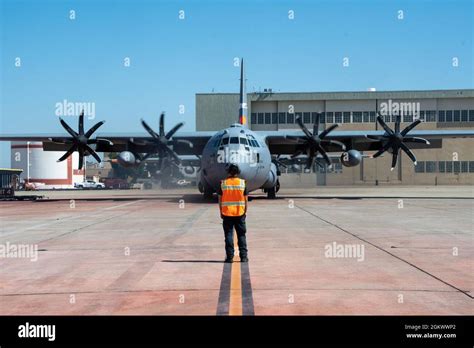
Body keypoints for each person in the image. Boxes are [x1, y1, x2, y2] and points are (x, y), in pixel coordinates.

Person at [217, 163, 248, 263]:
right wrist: (245, 211)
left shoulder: (223, 183)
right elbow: (246, 199)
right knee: (241, 235)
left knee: (228, 235)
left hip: (227, 213)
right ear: (238, 172)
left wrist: (221, 211)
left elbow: (220, 200)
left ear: (228, 172)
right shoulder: (242, 183)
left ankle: (230, 257)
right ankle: (243, 257)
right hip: (240, 213)